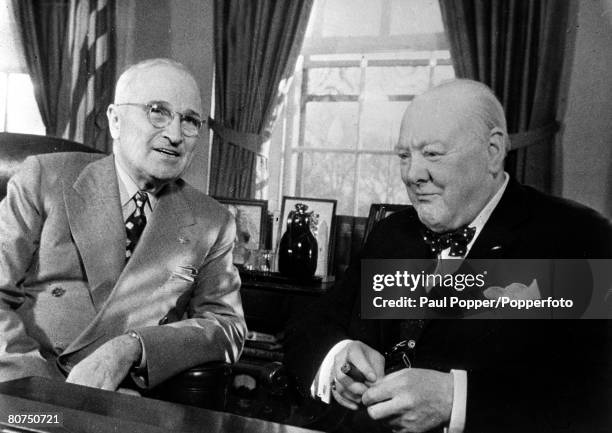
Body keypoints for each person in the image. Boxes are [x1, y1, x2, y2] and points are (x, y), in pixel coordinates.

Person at [285, 79, 612, 432]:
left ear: (492, 151)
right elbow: (308, 327)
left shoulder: (572, 236)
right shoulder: (393, 234)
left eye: (433, 154)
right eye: (404, 156)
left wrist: (457, 400)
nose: (412, 174)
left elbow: (594, 395)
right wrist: (338, 358)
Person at [0, 58, 246, 392]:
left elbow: (228, 327)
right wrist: (40, 390)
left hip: (123, 400)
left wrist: (133, 346)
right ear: (116, 121)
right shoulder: (44, 179)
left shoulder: (211, 221)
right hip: (23, 390)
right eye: (157, 111)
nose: (174, 135)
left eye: (189, 120)